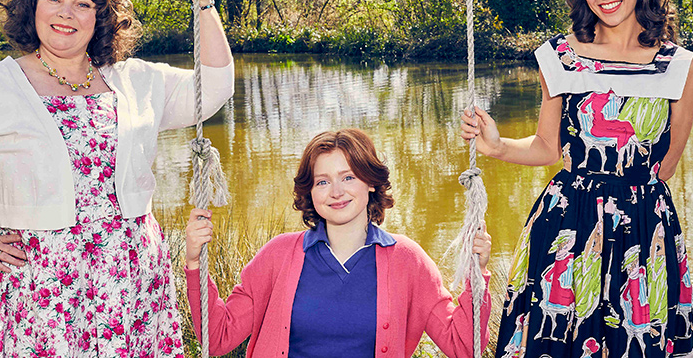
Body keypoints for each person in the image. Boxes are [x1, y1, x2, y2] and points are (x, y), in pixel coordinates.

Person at [0, 0, 233, 357]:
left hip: (131, 281)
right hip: (40, 289)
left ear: (101, 16)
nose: (66, 13)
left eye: (83, 3)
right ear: (32, 6)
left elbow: (215, 87)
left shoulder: (137, 80)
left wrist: (204, 3)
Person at [460, 0, 693, 357]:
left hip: (643, 226)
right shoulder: (560, 56)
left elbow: (665, 167)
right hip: (568, 221)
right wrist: (495, 146)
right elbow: (548, 149)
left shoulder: (679, 67)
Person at [185, 128, 492, 357]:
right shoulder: (278, 255)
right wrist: (195, 264)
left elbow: (463, 346)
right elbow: (218, 337)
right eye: (322, 181)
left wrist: (476, 274)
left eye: (348, 177)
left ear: (370, 182)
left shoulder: (407, 260)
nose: (335, 191)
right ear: (311, 191)